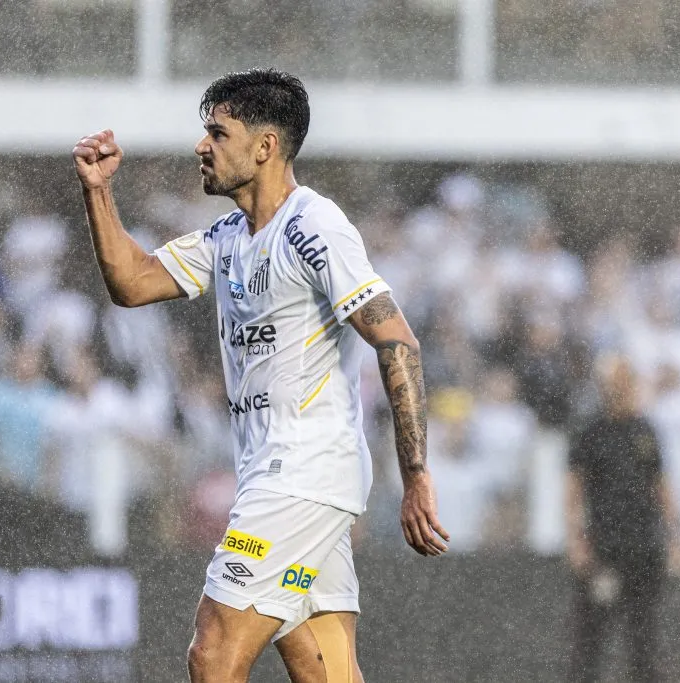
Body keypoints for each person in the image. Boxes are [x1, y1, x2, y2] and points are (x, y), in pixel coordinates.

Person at [72, 68, 449, 682]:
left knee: (214, 650)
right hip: (290, 478)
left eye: (218, 134)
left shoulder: (312, 226)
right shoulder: (229, 238)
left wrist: (417, 477)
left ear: (265, 146)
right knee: (323, 670)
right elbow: (132, 282)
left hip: (299, 475)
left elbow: (397, 342)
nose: (201, 146)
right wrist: (97, 192)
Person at [565, 355, 680, 683]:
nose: (621, 390)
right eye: (614, 384)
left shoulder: (645, 430)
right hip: (604, 548)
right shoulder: (590, 431)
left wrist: (676, 536)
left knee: (645, 638)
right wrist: (576, 540)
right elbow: (573, 490)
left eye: (626, 382)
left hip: (644, 547)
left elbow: (661, 487)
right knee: (590, 638)